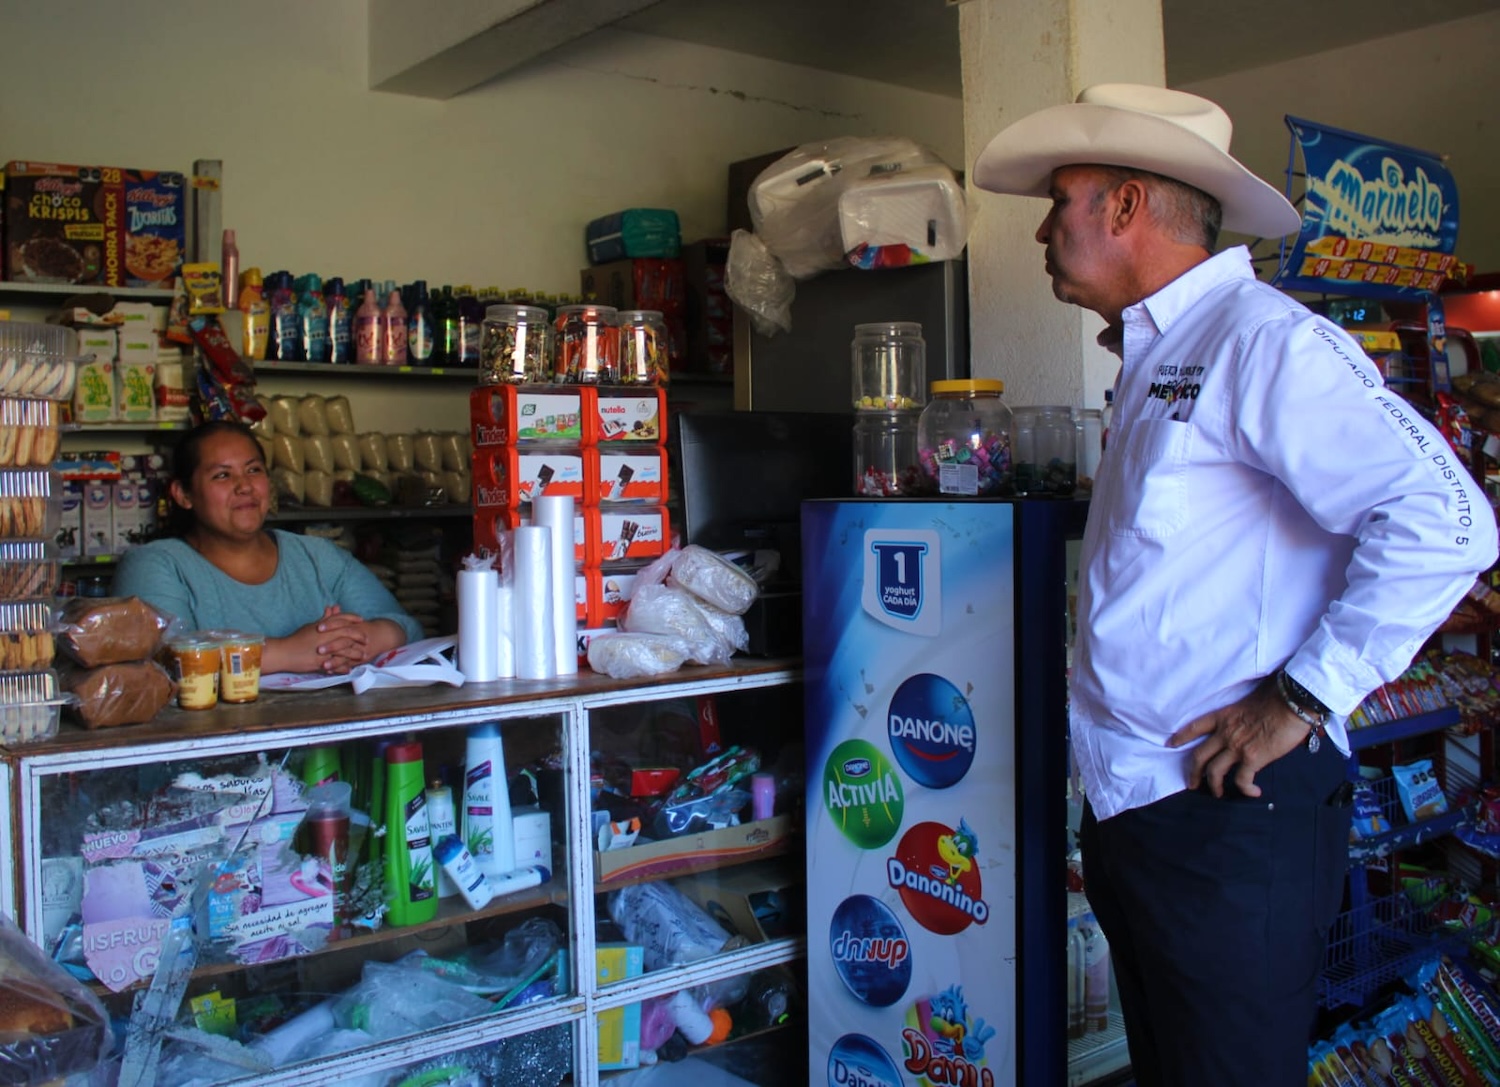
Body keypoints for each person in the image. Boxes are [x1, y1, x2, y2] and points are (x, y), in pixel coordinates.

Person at [973, 84, 1498, 1085]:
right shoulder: (1162, 352)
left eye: (1060, 201)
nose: (1043, 230)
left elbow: (1449, 521)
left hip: (1229, 816)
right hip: (1145, 811)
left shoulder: (1263, 338)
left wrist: (1297, 699)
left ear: (1126, 206)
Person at [115, 419, 423, 675]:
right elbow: (163, 661)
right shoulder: (156, 565)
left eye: (253, 470)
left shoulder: (318, 557)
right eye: (222, 475)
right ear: (183, 494)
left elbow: (408, 627)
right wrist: (289, 652)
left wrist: (360, 640)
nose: (244, 486)